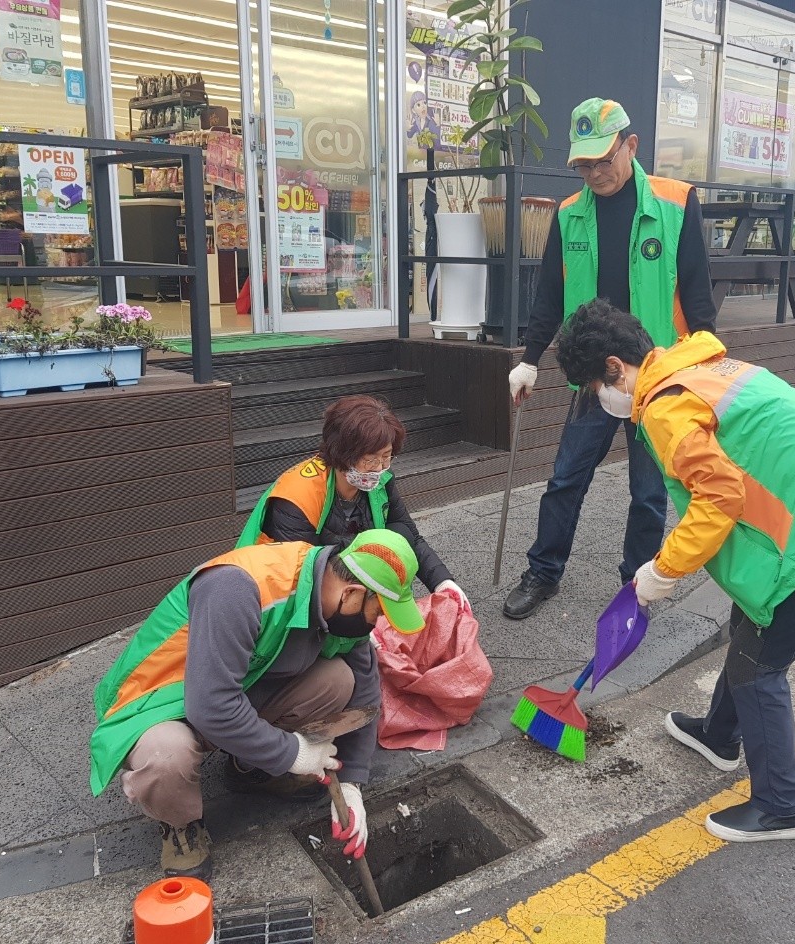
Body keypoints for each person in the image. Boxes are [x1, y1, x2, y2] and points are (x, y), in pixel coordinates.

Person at [555, 300, 795, 843]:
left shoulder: (664, 409)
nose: (601, 401)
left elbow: (719, 496)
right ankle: (718, 736)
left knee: (759, 665)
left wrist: (662, 570)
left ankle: (783, 805)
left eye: (595, 389)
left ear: (614, 369)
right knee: (749, 621)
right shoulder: (698, 366)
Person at [88, 529, 425, 880]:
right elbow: (210, 707)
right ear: (353, 593)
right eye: (378, 612)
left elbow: (365, 695)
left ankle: (250, 768)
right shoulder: (238, 588)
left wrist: (354, 782)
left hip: (234, 687)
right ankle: (179, 824)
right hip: (159, 700)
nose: (377, 623)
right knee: (166, 758)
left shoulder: (333, 600)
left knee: (338, 680)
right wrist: (292, 753)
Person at [503, 96, 717, 620]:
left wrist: (706, 361)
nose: (595, 172)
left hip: (659, 373)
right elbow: (549, 296)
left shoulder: (675, 201)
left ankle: (634, 586)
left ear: (631, 146)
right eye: (583, 164)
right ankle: (543, 571)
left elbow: (697, 290)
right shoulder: (570, 214)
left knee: (648, 490)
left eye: (603, 159)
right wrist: (530, 358)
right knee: (565, 477)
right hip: (596, 377)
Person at [237, 394, 468, 612]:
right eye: (370, 459)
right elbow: (307, 577)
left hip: (352, 590)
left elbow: (407, 534)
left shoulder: (380, 482)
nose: (379, 468)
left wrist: (442, 582)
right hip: (283, 600)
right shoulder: (297, 496)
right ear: (342, 453)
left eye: (386, 456)